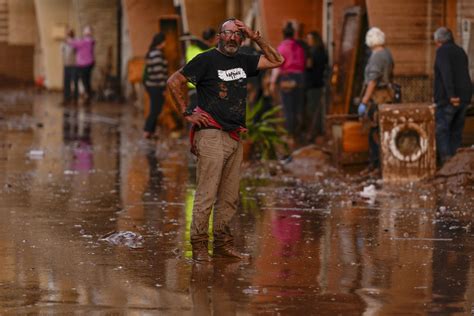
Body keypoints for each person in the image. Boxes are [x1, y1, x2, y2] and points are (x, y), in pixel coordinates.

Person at [167, 18, 284, 262]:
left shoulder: (243, 60)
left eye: (237, 35)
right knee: (206, 194)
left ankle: (222, 244)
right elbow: (174, 81)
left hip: (234, 135)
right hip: (210, 134)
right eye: (228, 33)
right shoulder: (206, 60)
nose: (232, 38)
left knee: (230, 197)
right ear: (219, 36)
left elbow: (277, 60)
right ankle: (199, 245)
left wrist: (256, 37)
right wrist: (187, 112)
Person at [357, 27, 394, 174]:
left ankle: (376, 166)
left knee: (375, 132)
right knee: (380, 132)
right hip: (386, 96)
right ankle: (377, 165)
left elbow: (373, 81)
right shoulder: (387, 53)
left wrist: (364, 101)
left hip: (378, 98)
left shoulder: (377, 56)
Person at [433, 27, 472, 165]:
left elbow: (446, 73)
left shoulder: (442, 52)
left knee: (443, 130)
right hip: (464, 98)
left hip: (449, 99)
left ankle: (447, 162)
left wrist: (451, 95)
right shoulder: (460, 50)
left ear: (439, 41)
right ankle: (456, 163)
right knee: (456, 131)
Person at [270, 22, 306, 145]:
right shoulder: (300, 47)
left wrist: (272, 82)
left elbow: (277, 66)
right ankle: (298, 136)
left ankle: (290, 137)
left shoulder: (282, 47)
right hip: (301, 79)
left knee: (289, 109)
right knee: (298, 108)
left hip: (287, 79)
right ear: (293, 34)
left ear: (283, 35)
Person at [142, 32, 168, 139]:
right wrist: (163, 88)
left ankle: (150, 131)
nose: (165, 44)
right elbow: (159, 73)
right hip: (156, 86)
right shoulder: (157, 54)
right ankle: (147, 130)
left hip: (151, 85)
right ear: (160, 42)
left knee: (156, 109)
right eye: (164, 41)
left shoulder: (152, 52)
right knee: (155, 109)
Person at [305, 31, 328, 142]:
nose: (307, 41)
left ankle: (315, 133)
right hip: (319, 83)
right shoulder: (322, 51)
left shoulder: (313, 52)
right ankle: (316, 132)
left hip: (313, 84)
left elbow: (309, 65)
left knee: (313, 110)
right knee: (317, 109)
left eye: (309, 39)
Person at [69, 26, 95, 104]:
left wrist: (71, 39)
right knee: (86, 80)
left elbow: (73, 43)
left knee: (83, 80)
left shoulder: (85, 42)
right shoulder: (89, 41)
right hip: (88, 63)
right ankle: (87, 94)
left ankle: (86, 95)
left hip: (83, 64)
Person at [61, 29, 78, 105]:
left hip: (74, 65)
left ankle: (75, 98)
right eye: (67, 34)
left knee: (74, 82)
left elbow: (77, 52)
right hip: (66, 65)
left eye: (70, 34)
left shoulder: (75, 42)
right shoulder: (64, 44)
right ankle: (66, 98)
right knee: (66, 82)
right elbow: (62, 52)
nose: (68, 36)